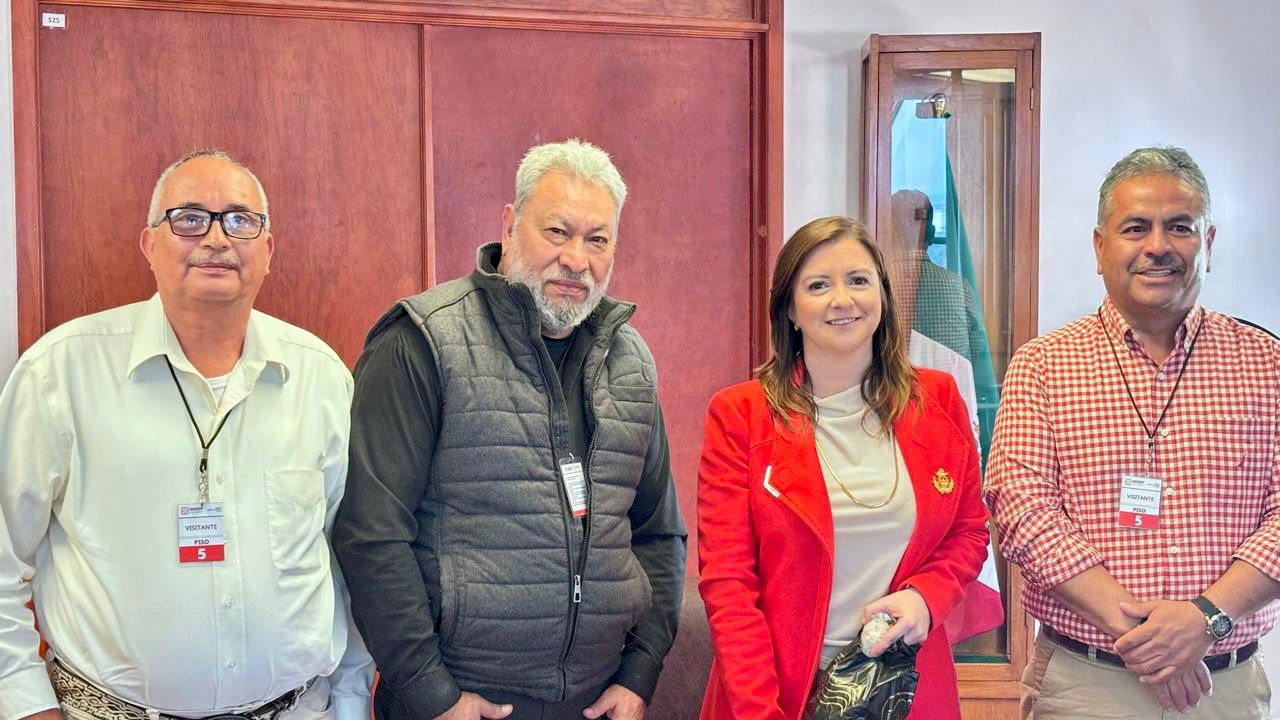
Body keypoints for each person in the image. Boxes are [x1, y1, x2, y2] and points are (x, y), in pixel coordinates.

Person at [0, 149, 374, 720]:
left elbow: (351, 563)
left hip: (299, 708)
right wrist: (26, 704)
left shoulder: (319, 377)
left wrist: (350, 702)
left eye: (241, 220)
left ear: (268, 251)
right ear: (149, 244)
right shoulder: (60, 373)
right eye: (190, 218)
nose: (217, 238)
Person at [332, 139, 687, 720]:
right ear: (509, 224)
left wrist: (640, 673)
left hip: (597, 702)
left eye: (597, 240)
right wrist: (431, 694)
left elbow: (658, 532)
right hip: (458, 703)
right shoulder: (422, 342)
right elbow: (371, 535)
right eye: (557, 231)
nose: (577, 259)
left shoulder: (631, 360)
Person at [985, 146, 1280, 719]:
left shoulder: (1267, 364)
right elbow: (1022, 512)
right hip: (1085, 685)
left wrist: (1204, 619)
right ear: (1100, 247)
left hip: (1224, 688)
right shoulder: (1043, 365)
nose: (1158, 246)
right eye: (1136, 227)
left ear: (1209, 243)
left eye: (1180, 227)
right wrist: (1151, 641)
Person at [696, 216, 990, 720]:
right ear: (790, 309)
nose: (842, 299)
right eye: (818, 285)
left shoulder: (939, 399)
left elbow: (968, 530)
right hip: (775, 695)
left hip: (905, 688)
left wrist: (925, 598)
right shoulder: (740, 415)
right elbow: (729, 585)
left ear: (882, 296)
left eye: (858, 280)